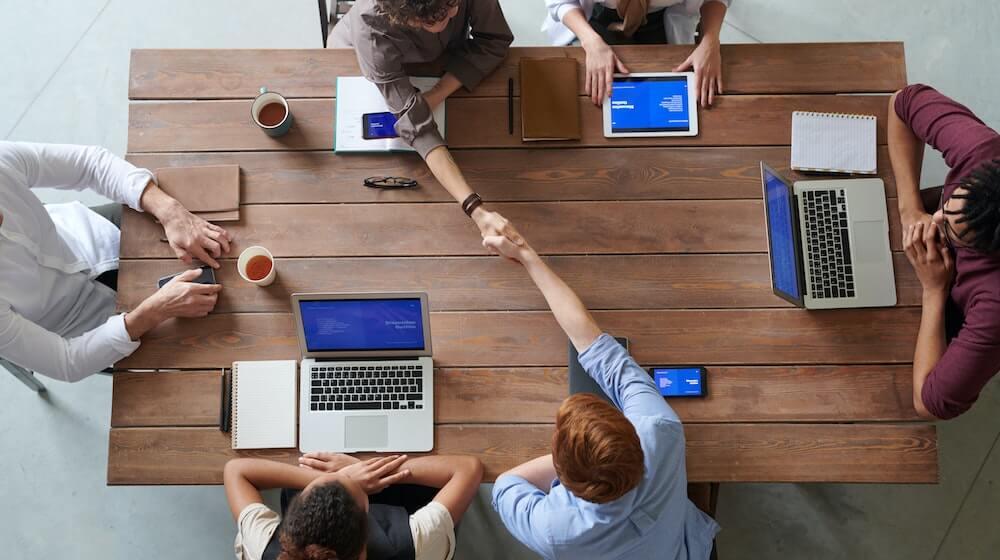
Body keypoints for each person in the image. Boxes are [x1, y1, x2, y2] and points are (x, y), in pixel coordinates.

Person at [484, 231, 718, 559]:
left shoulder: (554, 531)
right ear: (632, 435)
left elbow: (506, 484)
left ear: (560, 473)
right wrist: (525, 253)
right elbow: (600, 350)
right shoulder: (659, 429)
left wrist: (525, 255)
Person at [0, 141, 231, 382]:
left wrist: (169, 211)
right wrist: (155, 311)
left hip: (93, 231)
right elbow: (65, 362)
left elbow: (89, 164)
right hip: (91, 326)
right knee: (203, 361)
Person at [331, 0, 521, 244]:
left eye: (455, 5)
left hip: (440, 59)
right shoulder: (370, 30)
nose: (455, 13)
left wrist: (437, 93)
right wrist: (475, 209)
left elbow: (495, 40)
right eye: (440, 17)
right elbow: (416, 125)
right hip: (360, 58)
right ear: (406, 19)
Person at [888, 84, 1000, 420]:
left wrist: (934, 290)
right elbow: (902, 102)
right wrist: (910, 211)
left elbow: (930, 402)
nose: (936, 220)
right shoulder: (983, 151)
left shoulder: (995, 304)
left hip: (945, 299)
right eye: (947, 207)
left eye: (951, 231)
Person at [225, 452, 483, 560]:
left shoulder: (262, 547)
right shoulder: (418, 544)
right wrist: (370, 467)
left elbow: (236, 470)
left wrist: (349, 477)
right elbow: (468, 468)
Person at [542, 0, 732, 107]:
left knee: (664, 101)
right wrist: (591, 42)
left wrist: (710, 41)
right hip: (594, 16)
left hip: (660, 16)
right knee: (594, 101)